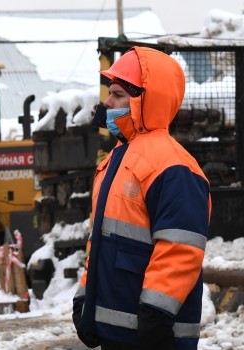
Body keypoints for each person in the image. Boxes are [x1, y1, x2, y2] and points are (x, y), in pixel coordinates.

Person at [72, 47, 211, 350]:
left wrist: (156, 316)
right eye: (110, 93)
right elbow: (100, 239)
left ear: (145, 98)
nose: (107, 103)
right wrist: (85, 296)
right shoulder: (115, 160)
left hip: (156, 337)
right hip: (120, 332)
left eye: (118, 94)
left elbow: (180, 250)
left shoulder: (175, 168)